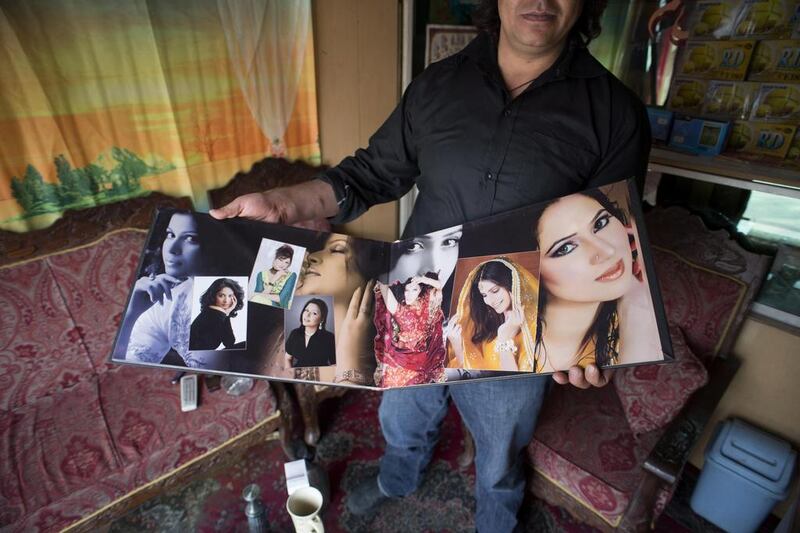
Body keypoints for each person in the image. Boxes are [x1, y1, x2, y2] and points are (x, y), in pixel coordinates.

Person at [210, 0, 650, 529]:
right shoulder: (438, 85)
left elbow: (608, 235)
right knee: (401, 417)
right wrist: (282, 203)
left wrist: (591, 337)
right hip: (415, 301)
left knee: (500, 447)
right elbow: (369, 174)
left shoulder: (615, 112)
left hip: (518, 318)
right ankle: (399, 478)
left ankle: (497, 516)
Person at [530, 187, 659, 371]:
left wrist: (636, 302)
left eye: (600, 223)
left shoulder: (641, 321)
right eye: (566, 248)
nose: (606, 251)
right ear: (533, 271)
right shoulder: (506, 342)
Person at [115, 210, 229, 367]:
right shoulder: (165, 301)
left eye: (190, 238)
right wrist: (131, 314)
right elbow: (129, 369)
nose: (171, 249)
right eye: (170, 235)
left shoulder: (254, 282)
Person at [447, 258, 539, 371]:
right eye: (484, 295)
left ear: (511, 285)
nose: (490, 301)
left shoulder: (534, 328)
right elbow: (472, 374)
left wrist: (504, 337)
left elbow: (514, 382)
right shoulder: (488, 328)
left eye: (495, 291)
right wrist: (457, 345)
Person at [373, 272, 446, 387]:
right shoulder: (404, 311)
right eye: (407, 290)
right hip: (406, 358)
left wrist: (422, 279)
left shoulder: (425, 302)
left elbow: (439, 285)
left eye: (414, 290)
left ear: (420, 291)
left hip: (415, 359)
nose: (409, 294)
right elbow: (385, 289)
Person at [189, 277, 245, 351]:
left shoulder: (216, 313)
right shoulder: (213, 314)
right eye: (221, 295)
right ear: (213, 296)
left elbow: (229, 342)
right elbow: (229, 342)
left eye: (230, 296)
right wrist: (226, 314)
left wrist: (226, 313)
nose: (226, 300)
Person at [285, 298, 337, 367]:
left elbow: (334, 364)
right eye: (306, 310)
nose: (307, 315)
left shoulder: (329, 338)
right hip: (298, 374)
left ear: (322, 319)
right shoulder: (295, 334)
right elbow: (287, 358)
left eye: (314, 313)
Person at [251, 244, 297, 308]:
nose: (282, 264)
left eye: (286, 262)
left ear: (289, 264)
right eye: (280, 260)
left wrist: (258, 294)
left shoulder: (291, 276)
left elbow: (281, 299)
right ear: (274, 258)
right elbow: (257, 297)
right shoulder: (261, 274)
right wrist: (275, 278)